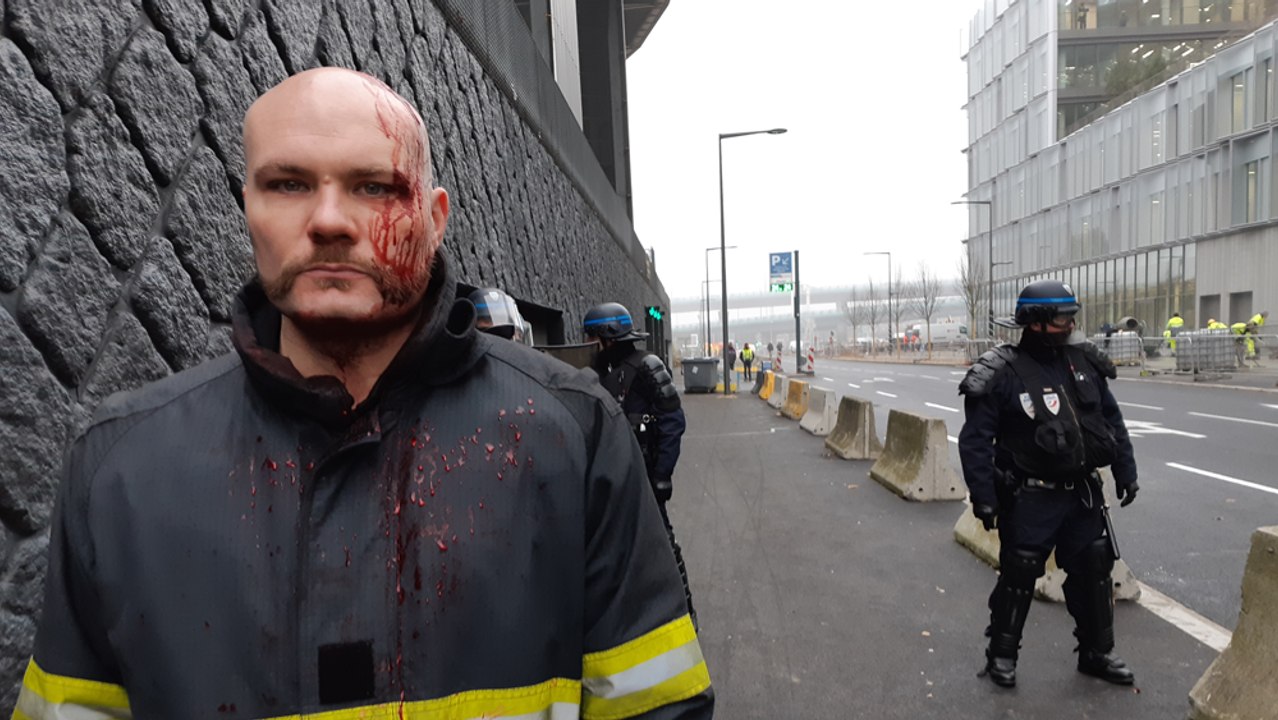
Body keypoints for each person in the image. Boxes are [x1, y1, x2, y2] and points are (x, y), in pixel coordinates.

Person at [16, 68, 712, 719]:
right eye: (287, 184)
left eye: (375, 186)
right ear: (247, 208)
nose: (328, 220)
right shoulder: (118, 473)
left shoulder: (571, 436)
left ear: (436, 219)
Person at [958, 279, 1139, 690]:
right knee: (1019, 575)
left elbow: (1111, 420)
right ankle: (1002, 655)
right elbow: (975, 440)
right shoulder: (1000, 372)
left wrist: (1126, 470)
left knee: (1094, 569)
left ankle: (1097, 653)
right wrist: (984, 498)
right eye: (1062, 317)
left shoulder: (1082, 362)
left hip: (1082, 494)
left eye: (1072, 316)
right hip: (1030, 496)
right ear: (1036, 322)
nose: (1070, 324)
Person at [582, 303, 697, 627]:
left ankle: (685, 618)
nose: (588, 344)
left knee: (662, 548)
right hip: (609, 480)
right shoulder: (595, 375)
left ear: (606, 337)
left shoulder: (648, 366)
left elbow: (673, 420)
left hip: (645, 479)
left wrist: (662, 473)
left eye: (592, 337)